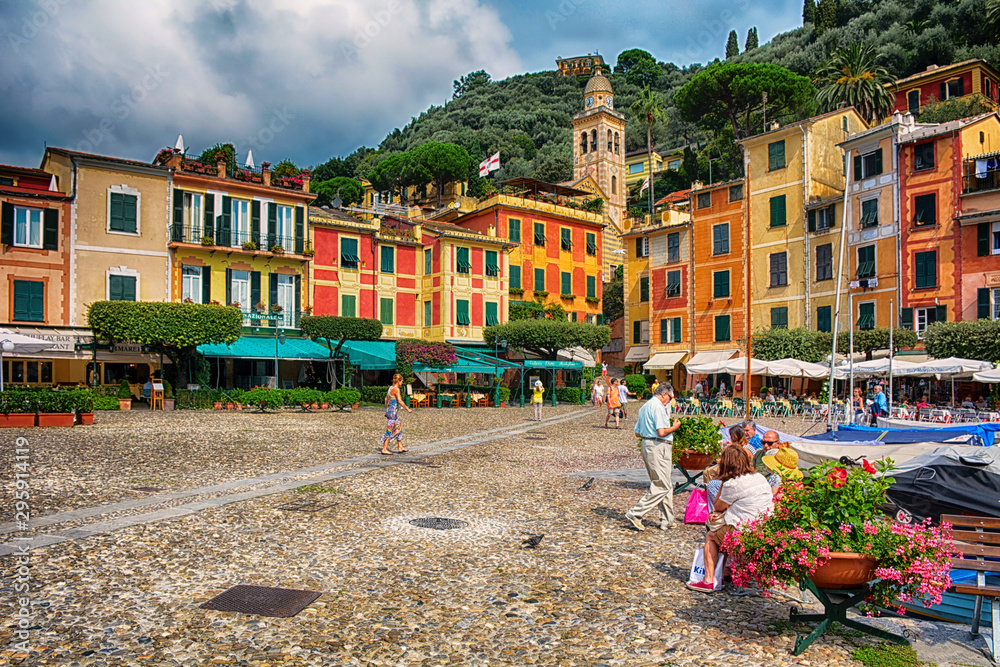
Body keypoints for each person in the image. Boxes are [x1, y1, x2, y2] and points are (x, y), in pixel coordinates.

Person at [687, 446, 774, 592]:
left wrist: (723, 480)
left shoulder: (731, 484)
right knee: (724, 532)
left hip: (746, 532)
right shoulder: (759, 477)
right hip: (764, 528)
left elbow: (718, 506)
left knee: (712, 536)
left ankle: (709, 580)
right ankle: (721, 573)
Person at [625, 383, 681, 532]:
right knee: (662, 485)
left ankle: (667, 520)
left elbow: (637, 432)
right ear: (664, 394)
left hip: (648, 444)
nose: (670, 401)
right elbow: (661, 432)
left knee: (664, 483)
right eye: (670, 397)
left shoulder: (645, 407)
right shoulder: (658, 407)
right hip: (658, 446)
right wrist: (675, 427)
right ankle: (635, 513)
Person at [381, 373, 413, 455]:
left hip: (390, 412)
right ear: (398, 381)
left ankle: (400, 447)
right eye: (401, 381)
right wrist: (407, 409)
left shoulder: (390, 388)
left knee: (399, 427)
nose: (402, 383)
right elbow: (400, 401)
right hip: (392, 413)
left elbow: (386, 399)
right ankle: (384, 448)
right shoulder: (396, 389)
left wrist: (387, 409)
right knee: (390, 430)